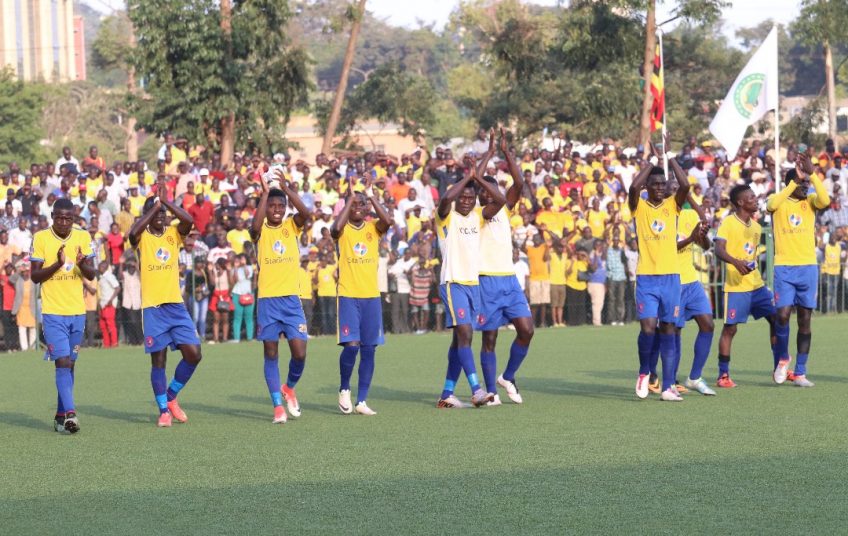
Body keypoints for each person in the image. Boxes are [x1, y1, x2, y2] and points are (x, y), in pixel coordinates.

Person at [128, 184, 203, 427]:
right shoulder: (142, 237)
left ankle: (171, 396)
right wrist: (154, 207)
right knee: (158, 361)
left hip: (176, 306)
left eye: (163, 213)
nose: (160, 216)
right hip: (153, 308)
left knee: (194, 354)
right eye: (156, 212)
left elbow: (188, 221)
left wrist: (166, 202)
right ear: (147, 214)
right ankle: (163, 411)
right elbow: (132, 233)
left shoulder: (173, 234)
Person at [473, 130, 531, 406]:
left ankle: (507, 376)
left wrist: (506, 153)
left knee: (527, 330)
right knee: (490, 338)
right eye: (483, 190)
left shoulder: (505, 209)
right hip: (486, 281)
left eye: (492, 189)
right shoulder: (478, 214)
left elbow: (519, 183)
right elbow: (478, 180)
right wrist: (488, 153)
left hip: (509, 280)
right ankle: (491, 391)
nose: (488, 194)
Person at [30, 197, 97, 434]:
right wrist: (57, 265)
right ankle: (70, 414)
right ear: (52, 216)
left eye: (68, 218)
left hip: (77, 312)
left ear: (74, 218)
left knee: (70, 365)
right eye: (59, 218)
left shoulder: (83, 237)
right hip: (53, 312)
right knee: (62, 362)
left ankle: (60, 416)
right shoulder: (40, 238)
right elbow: (35, 277)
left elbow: (91, 274)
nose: (64, 222)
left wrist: (81, 263)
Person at [435, 165, 499, 408]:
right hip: (453, 283)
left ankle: (446, 394)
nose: (465, 201)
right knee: (465, 335)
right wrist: (466, 179)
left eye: (470, 198)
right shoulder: (446, 216)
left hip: (473, 284)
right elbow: (446, 199)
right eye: (462, 197)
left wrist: (477, 177)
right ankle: (476, 389)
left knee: (459, 341)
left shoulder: (478, 216)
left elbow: (500, 200)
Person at [628, 145, 689, 402]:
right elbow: (633, 188)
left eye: (663, 184)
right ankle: (644, 372)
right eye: (655, 184)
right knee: (648, 328)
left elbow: (685, 185)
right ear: (647, 187)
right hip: (647, 278)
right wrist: (653, 160)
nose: (661, 188)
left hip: (671, 277)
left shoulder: (672, 205)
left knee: (669, 329)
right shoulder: (639, 206)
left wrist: (670, 157)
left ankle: (667, 386)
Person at [251, 171, 312, 424]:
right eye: (272, 205)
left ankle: (289, 387)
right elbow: (254, 227)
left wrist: (286, 189)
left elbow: (306, 214)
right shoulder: (260, 230)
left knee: (299, 353)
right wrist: (265, 194)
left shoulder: (291, 226)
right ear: (266, 207)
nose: (276, 209)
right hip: (268, 301)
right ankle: (278, 406)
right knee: (271, 352)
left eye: (280, 206)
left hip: (291, 301)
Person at [331, 175, 394, 416]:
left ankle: (362, 400)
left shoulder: (372, 228)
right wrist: (349, 199)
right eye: (354, 204)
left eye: (361, 204)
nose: (358, 207)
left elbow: (387, 221)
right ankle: (344, 388)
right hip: (348, 295)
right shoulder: (342, 230)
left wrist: (370, 195)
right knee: (351, 347)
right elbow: (334, 229)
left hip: (371, 297)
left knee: (369, 349)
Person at [768, 155, 830, 388]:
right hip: (784, 267)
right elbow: (771, 205)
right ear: (790, 183)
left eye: (806, 183)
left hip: (808, 267)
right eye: (801, 183)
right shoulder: (778, 201)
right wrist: (794, 181)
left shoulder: (811, 201)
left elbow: (825, 200)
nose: (806, 186)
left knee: (805, 319)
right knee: (782, 315)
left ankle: (801, 372)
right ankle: (784, 358)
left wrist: (812, 175)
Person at [713, 184, 781, 388]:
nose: (755, 199)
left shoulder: (756, 227)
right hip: (736, 287)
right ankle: (723, 375)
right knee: (730, 329)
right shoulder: (728, 223)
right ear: (741, 202)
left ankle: (779, 368)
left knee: (777, 319)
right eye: (751, 197)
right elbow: (718, 249)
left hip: (757, 286)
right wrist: (736, 262)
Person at [10, 262, 37, 351]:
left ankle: (32, 347)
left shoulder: (34, 280)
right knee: (22, 328)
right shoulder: (18, 280)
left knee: (33, 328)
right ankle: (24, 348)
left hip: (32, 308)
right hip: (21, 308)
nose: (26, 273)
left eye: (27, 271)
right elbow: (11, 279)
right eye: (24, 272)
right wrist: (18, 271)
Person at [231, 254, 255, 342]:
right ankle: (236, 338)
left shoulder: (249, 267)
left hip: (248, 294)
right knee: (237, 317)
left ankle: (250, 338)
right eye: (239, 260)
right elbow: (235, 280)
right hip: (237, 293)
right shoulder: (233, 269)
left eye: (242, 259)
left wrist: (244, 266)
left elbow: (248, 275)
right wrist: (235, 268)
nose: (240, 261)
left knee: (249, 317)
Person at [209, 257, 234, 343]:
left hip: (225, 295)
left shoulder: (227, 272)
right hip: (216, 296)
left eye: (217, 264)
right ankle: (216, 338)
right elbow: (212, 283)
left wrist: (228, 294)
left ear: (220, 264)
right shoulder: (215, 273)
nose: (215, 266)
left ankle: (225, 338)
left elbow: (231, 283)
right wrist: (210, 272)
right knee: (216, 319)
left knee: (225, 319)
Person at [97, 261, 120, 348]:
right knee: (103, 325)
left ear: (104, 267)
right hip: (103, 303)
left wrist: (111, 300)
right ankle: (106, 344)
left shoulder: (109, 276)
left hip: (109, 303)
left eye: (100, 267)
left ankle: (114, 343)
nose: (98, 268)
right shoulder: (101, 277)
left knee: (110, 324)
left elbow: (117, 288)